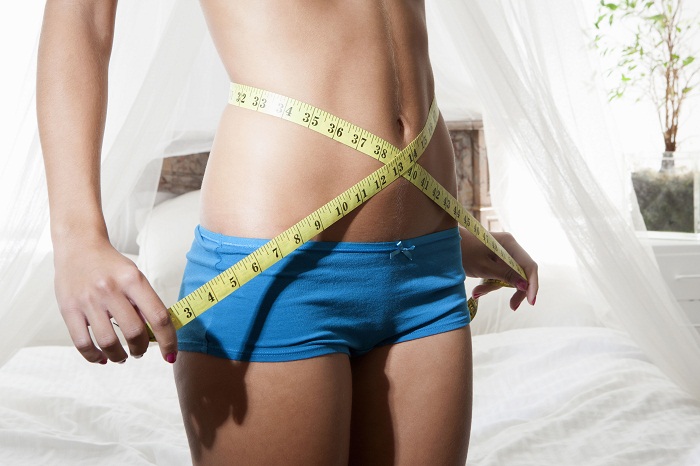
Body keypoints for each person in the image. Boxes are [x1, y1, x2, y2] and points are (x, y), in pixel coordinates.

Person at [37, 0, 538, 464]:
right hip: (273, 273)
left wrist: (454, 229)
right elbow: (81, 17)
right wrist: (77, 236)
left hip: (428, 267)